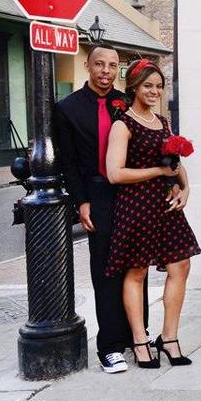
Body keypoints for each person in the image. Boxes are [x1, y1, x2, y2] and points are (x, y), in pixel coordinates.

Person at [53, 44, 149, 374]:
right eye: (99, 64)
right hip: (98, 194)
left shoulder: (127, 102)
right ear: (88, 66)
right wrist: (82, 202)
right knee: (106, 271)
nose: (106, 71)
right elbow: (68, 163)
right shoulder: (67, 109)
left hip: (133, 192)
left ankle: (139, 337)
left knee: (137, 268)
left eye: (112, 65)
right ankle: (110, 346)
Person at [105, 60, 201, 369]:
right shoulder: (123, 124)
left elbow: (176, 162)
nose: (154, 91)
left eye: (158, 86)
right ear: (134, 87)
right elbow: (115, 173)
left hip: (166, 206)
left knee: (181, 266)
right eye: (148, 85)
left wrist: (185, 187)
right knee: (137, 271)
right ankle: (139, 341)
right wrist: (158, 171)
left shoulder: (162, 121)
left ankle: (169, 337)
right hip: (135, 207)